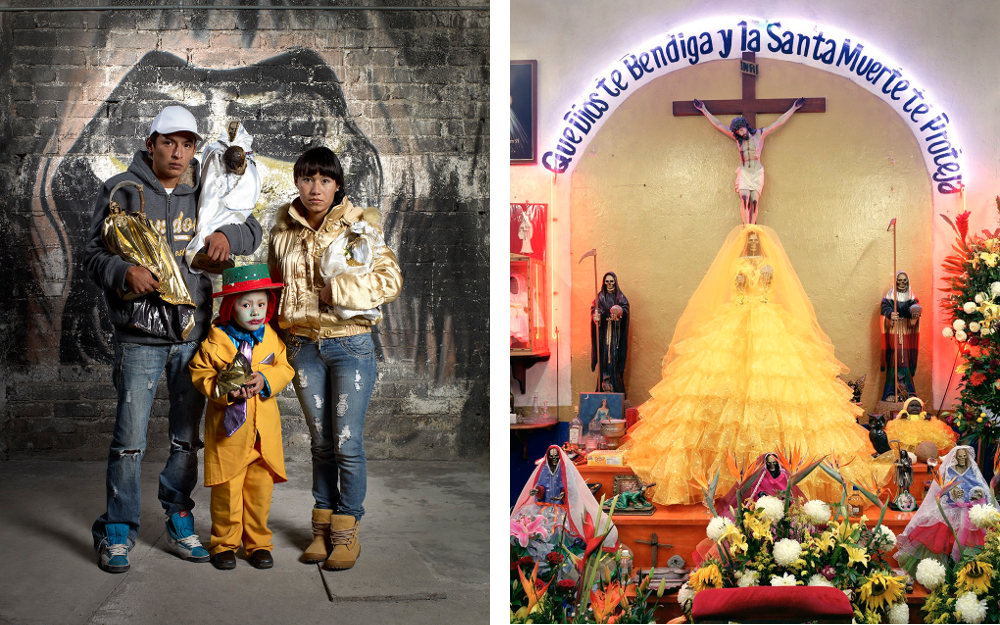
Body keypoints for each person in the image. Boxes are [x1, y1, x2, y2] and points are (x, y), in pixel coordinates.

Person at [85, 105, 263, 573]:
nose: (179, 152)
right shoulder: (122, 190)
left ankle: (178, 516)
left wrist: (227, 233)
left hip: (193, 337)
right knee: (129, 441)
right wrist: (123, 270)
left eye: (187, 144)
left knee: (186, 440)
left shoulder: (204, 186)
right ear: (151, 144)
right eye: (169, 142)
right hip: (139, 337)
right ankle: (117, 530)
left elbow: (252, 224)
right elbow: (90, 255)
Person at [623, 226, 889, 505]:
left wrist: (765, 277)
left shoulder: (768, 265)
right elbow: (735, 290)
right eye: (748, 240)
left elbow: (772, 290)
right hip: (736, 318)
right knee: (721, 388)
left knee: (777, 384)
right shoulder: (736, 264)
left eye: (754, 240)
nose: (751, 243)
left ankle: (782, 480)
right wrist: (739, 280)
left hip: (768, 320)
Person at [268, 146, 402, 571]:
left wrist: (339, 291)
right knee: (321, 443)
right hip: (302, 347)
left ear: (337, 184)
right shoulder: (282, 232)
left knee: (347, 442)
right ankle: (321, 530)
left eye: (325, 180)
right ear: (297, 182)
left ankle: (347, 531)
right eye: (308, 178)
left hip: (350, 345)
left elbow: (390, 280)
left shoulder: (360, 227)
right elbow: (273, 290)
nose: (315, 188)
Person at [188, 264, 294, 570]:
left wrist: (265, 379)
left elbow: (285, 367)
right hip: (229, 433)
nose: (255, 312)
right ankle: (224, 543)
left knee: (260, 493)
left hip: (262, 435)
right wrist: (224, 392)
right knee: (228, 492)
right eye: (246, 305)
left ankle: (258, 543)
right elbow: (199, 373)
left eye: (261, 304)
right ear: (231, 307)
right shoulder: (214, 340)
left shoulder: (272, 338)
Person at [692, 98, 805, 224]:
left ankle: (753, 227)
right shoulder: (737, 139)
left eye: (741, 130)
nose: (740, 133)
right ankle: (746, 227)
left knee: (754, 201)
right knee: (745, 199)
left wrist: (793, 108)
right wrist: (703, 109)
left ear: (745, 126)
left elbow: (778, 122)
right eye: (738, 132)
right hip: (745, 173)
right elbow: (719, 125)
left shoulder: (760, 134)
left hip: (756, 173)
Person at [896, 446, 997, 572]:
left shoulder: (972, 470)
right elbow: (942, 490)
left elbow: (980, 487)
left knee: (972, 542)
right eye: (960, 456)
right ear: (955, 458)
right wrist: (951, 493)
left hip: (970, 511)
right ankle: (942, 573)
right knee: (941, 541)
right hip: (951, 510)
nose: (962, 459)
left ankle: (966, 571)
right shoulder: (949, 470)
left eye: (965, 456)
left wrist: (976, 493)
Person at [880, 271, 921, 401]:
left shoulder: (911, 296)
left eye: (904, 281)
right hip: (895, 329)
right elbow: (884, 308)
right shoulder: (890, 296)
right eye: (899, 280)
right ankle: (891, 392)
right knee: (895, 357)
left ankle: (908, 393)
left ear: (907, 282)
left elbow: (915, 308)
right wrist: (890, 314)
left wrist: (914, 316)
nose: (902, 283)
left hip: (907, 330)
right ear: (896, 281)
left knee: (905, 358)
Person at [590, 272, 629, 394]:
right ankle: (603, 385)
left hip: (616, 336)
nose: (609, 284)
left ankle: (615, 387)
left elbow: (625, 309)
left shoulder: (620, 297)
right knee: (604, 359)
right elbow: (596, 309)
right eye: (607, 282)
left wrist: (620, 311)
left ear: (615, 282)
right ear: (604, 283)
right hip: (604, 334)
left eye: (611, 281)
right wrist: (596, 316)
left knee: (614, 359)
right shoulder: (600, 297)